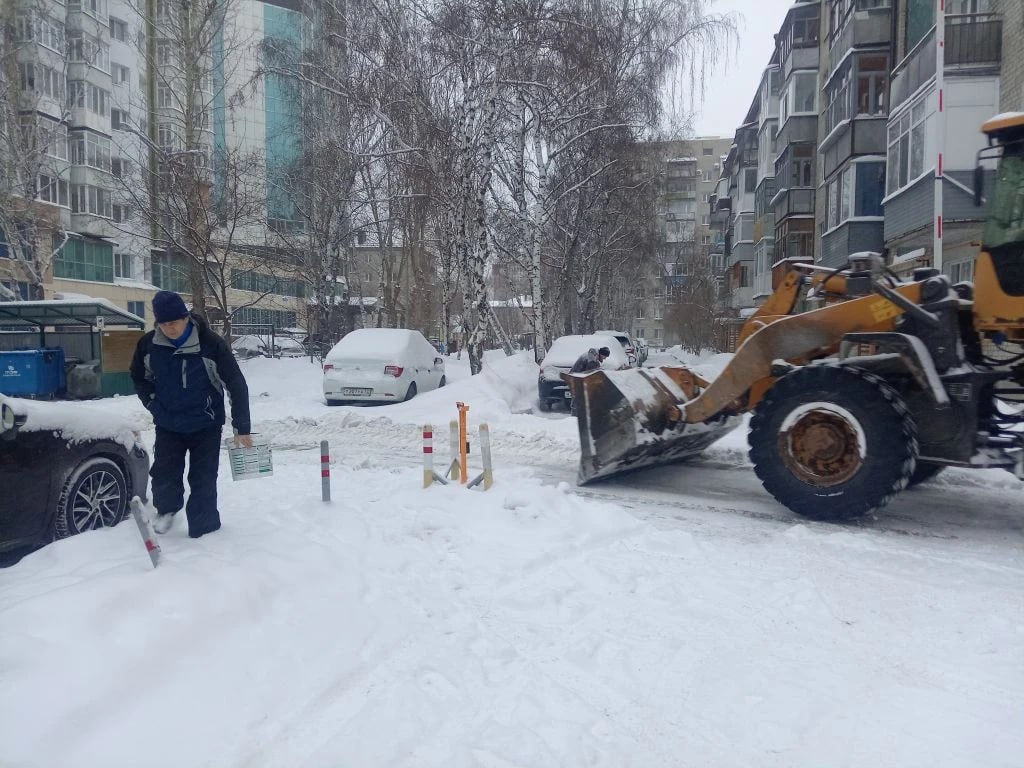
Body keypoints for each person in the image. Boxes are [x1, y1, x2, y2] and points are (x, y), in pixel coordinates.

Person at [130, 291, 252, 537]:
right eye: (164, 324)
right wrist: (153, 403)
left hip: (206, 424)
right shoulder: (149, 345)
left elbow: (236, 383)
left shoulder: (210, 344)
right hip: (168, 423)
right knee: (164, 473)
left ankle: (204, 528)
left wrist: (242, 427)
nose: (170, 328)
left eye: (174, 322)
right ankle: (166, 511)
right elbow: (139, 377)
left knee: (203, 478)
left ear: (186, 318)